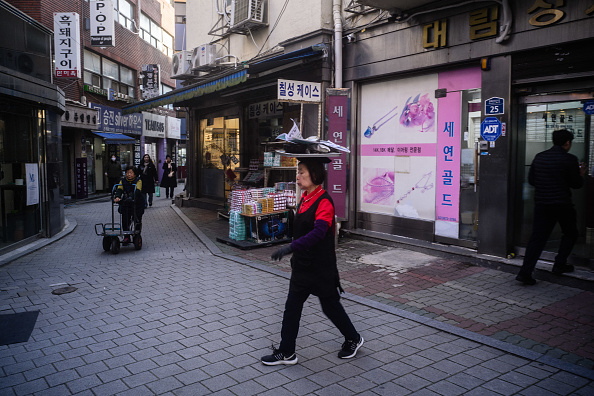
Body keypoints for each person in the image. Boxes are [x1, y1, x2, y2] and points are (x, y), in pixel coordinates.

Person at [261, 158, 363, 366]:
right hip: (302, 267)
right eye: (297, 172)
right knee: (292, 308)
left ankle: (354, 338)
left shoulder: (324, 201)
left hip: (320, 268)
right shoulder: (306, 198)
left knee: (330, 307)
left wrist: (291, 247)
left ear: (315, 175)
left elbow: (318, 232)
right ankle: (287, 352)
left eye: (302, 172)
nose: (297, 176)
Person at [516, 129, 586, 285]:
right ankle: (559, 264)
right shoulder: (570, 159)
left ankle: (525, 272)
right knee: (570, 233)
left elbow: (532, 180)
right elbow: (576, 184)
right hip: (562, 205)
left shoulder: (539, 157)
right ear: (567, 143)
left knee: (537, 239)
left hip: (542, 205)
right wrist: (581, 174)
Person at [113, 166, 144, 244]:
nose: (128, 174)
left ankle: (137, 234)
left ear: (134, 174)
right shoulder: (123, 181)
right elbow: (119, 189)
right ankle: (126, 237)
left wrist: (131, 197)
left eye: (131, 173)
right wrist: (117, 197)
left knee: (137, 219)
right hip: (126, 203)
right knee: (125, 218)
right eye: (127, 173)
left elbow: (137, 191)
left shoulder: (138, 181)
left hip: (137, 203)